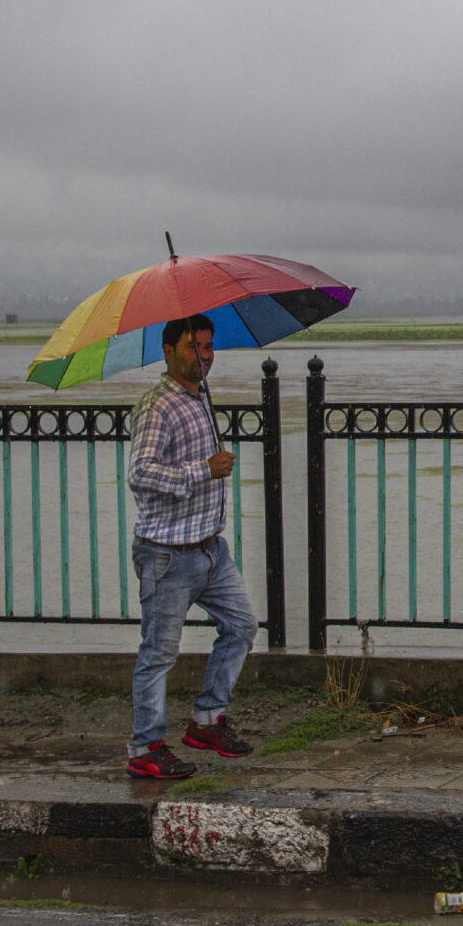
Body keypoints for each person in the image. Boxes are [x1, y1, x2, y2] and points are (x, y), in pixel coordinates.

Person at [123, 313, 258, 779]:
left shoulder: (199, 399)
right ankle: (145, 748)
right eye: (193, 348)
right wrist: (204, 469)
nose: (203, 356)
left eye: (207, 347)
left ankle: (206, 720)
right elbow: (139, 474)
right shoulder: (158, 406)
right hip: (166, 554)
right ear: (168, 351)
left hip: (209, 550)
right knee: (158, 653)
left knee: (241, 625)